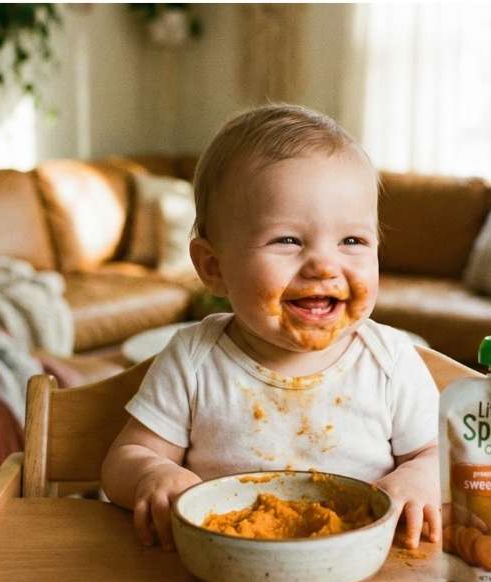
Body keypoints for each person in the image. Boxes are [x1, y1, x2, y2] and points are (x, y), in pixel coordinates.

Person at [101, 103, 440, 551]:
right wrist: (154, 474)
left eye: (352, 241)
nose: (324, 264)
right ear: (213, 267)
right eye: (288, 240)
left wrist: (418, 478)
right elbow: (125, 459)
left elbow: (442, 457)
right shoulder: (194, 359)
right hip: (221, 568)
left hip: (367, 571)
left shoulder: (390, 361)